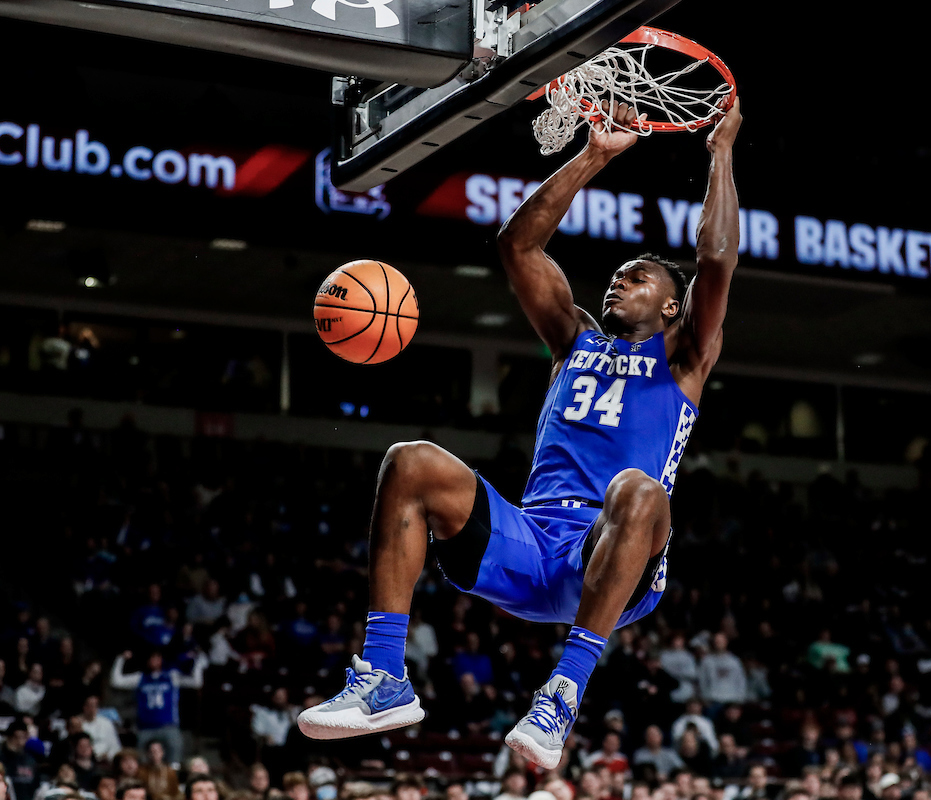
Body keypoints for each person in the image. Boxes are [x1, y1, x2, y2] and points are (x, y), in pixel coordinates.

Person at [297, 94, 744, 776]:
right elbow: (517, 245)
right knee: (410, 461)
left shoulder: (686, 359)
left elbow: (716, 261)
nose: (620, 279)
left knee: (640, 490)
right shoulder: (573, 338)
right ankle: (384, 676)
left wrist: (720, 152)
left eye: (640, 277)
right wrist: (593, 154)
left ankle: (562, 694)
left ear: (673, 306)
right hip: (528, 546)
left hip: (611, 554)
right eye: (619, 274)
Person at [110, 651, 205, 764]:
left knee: (175, 753)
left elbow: (196, 682)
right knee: (141, 760)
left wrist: (198, 661)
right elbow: (116, 681)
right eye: (152, 658)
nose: (155, 661)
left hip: (168, 725)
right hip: (145, 727)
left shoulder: (171, 676)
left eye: (157, 658)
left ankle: (173, 777)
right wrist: (120, 659)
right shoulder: (140, 677)